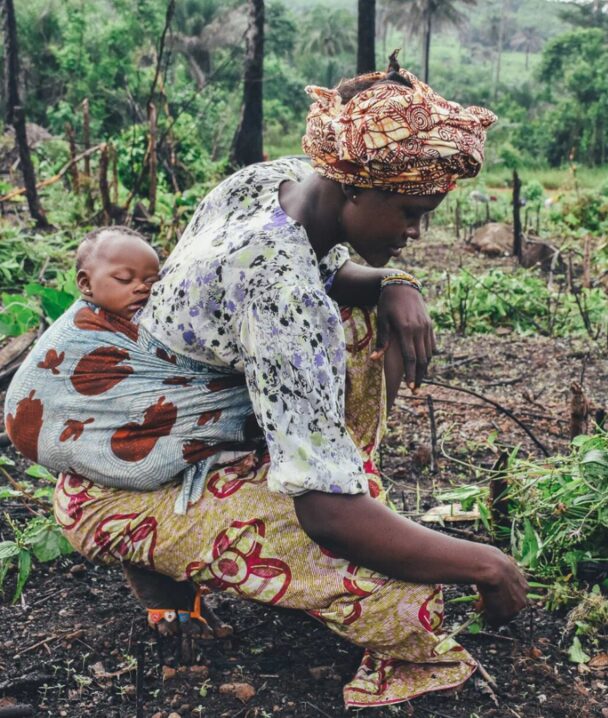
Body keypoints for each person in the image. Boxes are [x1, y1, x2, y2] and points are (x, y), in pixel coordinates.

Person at [4, 54, 528, 708]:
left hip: (155, 430)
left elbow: (330, 274)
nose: (415, 232)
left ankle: (292, 486)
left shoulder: (275, 183)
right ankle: (161, 542)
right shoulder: (281, 298)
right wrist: (486, 566)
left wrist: (396, 281)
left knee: (367, 322)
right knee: (405, 598)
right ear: (353, 188)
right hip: (112, 490)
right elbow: (328, 516)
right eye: (410, 212)